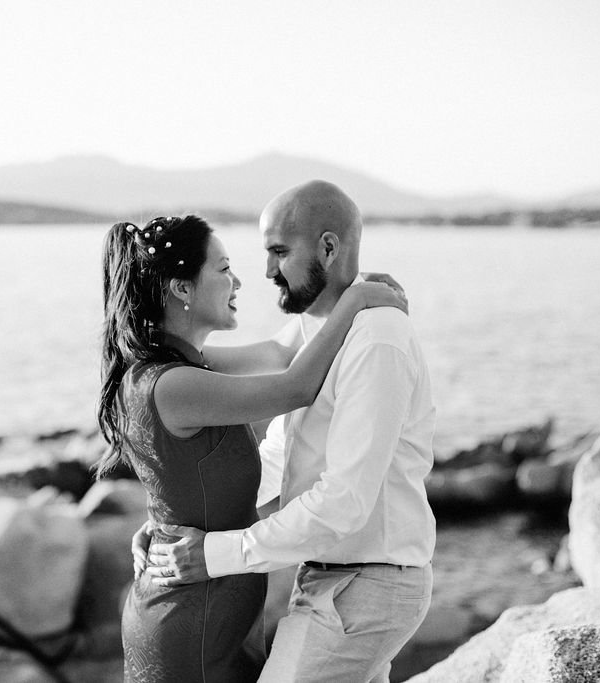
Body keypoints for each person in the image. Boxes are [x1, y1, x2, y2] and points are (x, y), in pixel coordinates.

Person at [138, 181, 437, 683]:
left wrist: (217, 555)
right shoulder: (318, 331)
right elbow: (275, 452)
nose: (267, 271)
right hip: (331, 578)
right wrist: (173, 516)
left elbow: (343, 502)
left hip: (367, 584)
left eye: (279, 251)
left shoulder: (377, 338)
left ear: (327, 247)